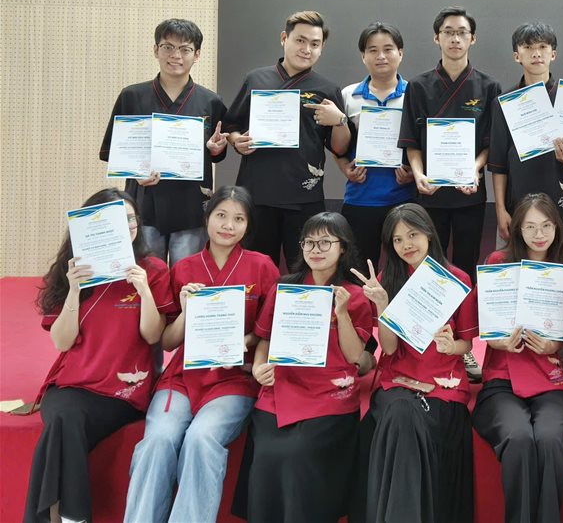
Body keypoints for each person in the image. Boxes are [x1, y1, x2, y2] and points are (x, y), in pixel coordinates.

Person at [124, 186, 279, 523]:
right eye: (221, 215)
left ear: (248, 225)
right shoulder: (184, 268)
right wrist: (185, 311)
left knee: (202, 438)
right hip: (182, 378)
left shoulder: (263, 267)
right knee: (158, 440)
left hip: (233, 380)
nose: (228, 225)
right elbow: (168, 342)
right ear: (207, 217)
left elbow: (270, 329)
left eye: (239, 219)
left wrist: (246, 341)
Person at [24, 189, 173, 523]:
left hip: (123, 389)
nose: (127, 226)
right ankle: (73, 518)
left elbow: (154, 336)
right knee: (64, 418)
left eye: (131, 219)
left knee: (63, 425)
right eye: (116, 220)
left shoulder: (152, 269)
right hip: (73, 383)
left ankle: (60, 517)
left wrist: (144, 290)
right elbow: (62, 342)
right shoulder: (74, 271)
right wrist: (74, 290)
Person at [236, 212, 372, 523]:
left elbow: (355, 356)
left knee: (300, 453)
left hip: (330, 395)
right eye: (309, 242)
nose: (315, 249)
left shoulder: (355, 295)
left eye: (325, 242)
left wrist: (342, 313)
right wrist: (259, 367)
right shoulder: (286, 287)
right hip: (282, 387)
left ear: (342, 247)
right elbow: (265, 339)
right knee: (267, 455)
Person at [355, 203, 478, 523]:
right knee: (402, 413)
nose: (406, 245)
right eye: (397, 240)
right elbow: (389, 348)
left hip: (443, 382)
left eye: (412, 235)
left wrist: (451, 347)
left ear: (429, 234)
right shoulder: (388, 278)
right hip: (398, 378)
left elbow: (466, 344)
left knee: (405, 418)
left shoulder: (457, 279)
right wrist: (383, 303)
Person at [474, 193, 563, 523]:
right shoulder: (498, 262)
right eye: (530, 227)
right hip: (502, 381)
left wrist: (552, 346)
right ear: (517, 229)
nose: (539, 234)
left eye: (546, 226)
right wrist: (499, 341)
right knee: (517, 438)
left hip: (549, 380)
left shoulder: (562, 269)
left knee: (549, 439)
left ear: (557, 228)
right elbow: (483, 323)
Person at [223, 11, 350, 269]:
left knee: (305, 270)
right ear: (284, 38)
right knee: (256, 270)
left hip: (304, 197)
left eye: (314, 44)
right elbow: (231, 125)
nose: (306, 49)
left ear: (322, 48)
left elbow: (339, 148)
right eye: (300, 40)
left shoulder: (327, 89)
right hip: (257, 194)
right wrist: (236, 140)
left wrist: (340, 121)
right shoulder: (255, 79)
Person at [99, 18, 228, 265]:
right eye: (168, 47)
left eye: (185, 49)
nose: (175, 55)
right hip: (144, 202)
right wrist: (136, 171)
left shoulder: (210, 101)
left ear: (197, 54)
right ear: (155, 50)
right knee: (147, 276)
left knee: (186, 277)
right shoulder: (132, 96)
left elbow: (217, 153)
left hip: (190, 205)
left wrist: (215, 148)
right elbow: (113, 151)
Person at [397, 6, 501, 281]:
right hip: (429, 191)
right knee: (429, 263)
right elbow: (411, 141)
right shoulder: (418, 86)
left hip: (469, 190)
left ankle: (464, 310)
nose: (455, 39)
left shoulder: (488, 87)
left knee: (467, 260)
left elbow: (490, 142)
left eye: (462, 33)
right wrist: (418, 175)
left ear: (472, 38)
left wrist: (474, 169)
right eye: (448, 32)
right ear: (437, 38)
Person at [489, 23, 563, 266]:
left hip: (561, 207)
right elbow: (498, 163)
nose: (536, 53)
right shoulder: (505, 102)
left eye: (543, 47)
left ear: (553, 54)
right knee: (509, 276)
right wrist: (500, 209)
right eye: (528, 47)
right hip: (516, 207)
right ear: (517, 55)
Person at [337, 22, 415, 265]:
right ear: (363, 56)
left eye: (388, 49)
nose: (381, 56)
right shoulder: (348, 96)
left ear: (400, 53)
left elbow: (425, 144)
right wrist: (344, 168)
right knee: (357, 270)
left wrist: (414, 173)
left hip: (405, 198)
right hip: (360, 197)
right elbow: (337, 146)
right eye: (372, 50)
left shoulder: (416, 93)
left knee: (404, 269)